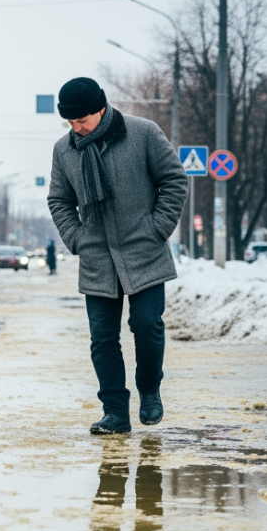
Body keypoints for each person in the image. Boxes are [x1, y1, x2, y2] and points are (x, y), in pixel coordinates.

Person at [46, 78, 187, 435]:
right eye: (71, 123)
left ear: (101, 108)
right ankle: (115, 413)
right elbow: (59, 200)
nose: (76, 128)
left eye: (82, 120)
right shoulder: (65, 151)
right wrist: (77, 238)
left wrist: (157, 228)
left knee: (146, 326)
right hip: (97, 258)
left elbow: (174, 180)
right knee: (103, 339)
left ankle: (150, 390)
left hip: (145, 252)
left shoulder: (142, 133)